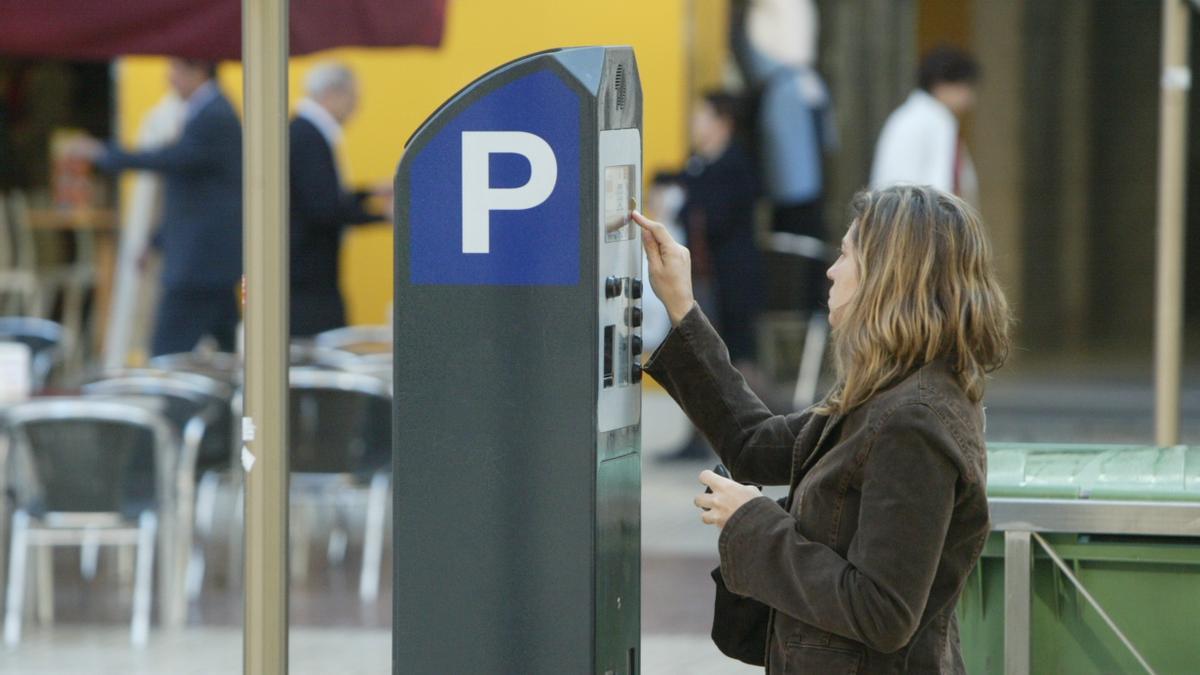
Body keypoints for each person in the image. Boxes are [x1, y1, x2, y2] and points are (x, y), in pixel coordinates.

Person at [633, 184, 1010, 672]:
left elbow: (883, 610)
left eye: (846, 254)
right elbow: (751, 443)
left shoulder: (913, 421)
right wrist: (681, 305)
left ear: (888, 277)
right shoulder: (886, 396)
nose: (831, 271)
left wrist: (753, 521)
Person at [73, 59, 242, 356]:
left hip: (199, 263)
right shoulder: (207, 111)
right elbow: (194, 191)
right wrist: (155, 240)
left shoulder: (214, 114)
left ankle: (169, 402)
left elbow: (171, 160)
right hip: (208, 259)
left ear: (198, 69)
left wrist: (107, 154)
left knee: (166, 352)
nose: (170, 78)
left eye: (176, 69)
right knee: (225, 347)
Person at [289, 62, 389, 337]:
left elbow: (325, 196)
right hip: (307, 279)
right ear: (333, 93)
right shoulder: (308, 135)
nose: (356, 108)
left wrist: (369, 193)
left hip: (307, 275)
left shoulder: (304, 132)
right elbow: (323, 207)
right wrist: (382, 216)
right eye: (354, 99)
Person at [870, 46, 980, 204]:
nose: (969, 99)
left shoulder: (907, 116)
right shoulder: (937, 121)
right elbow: (941, 184)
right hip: (923, 220)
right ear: (941, 85)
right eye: (963, 88)